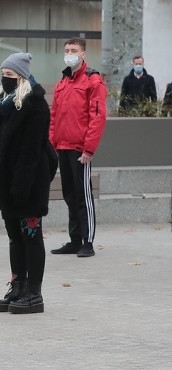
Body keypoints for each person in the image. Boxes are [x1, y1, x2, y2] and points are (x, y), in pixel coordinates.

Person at [0, 53, 52, 315]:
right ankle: (18, 286)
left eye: (10, 75)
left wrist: (21, 185)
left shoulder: (35, 105)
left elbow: (33, 150)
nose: (5, 79)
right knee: (14, 237)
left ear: (21, 76)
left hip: (29, 182)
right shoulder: (1, 102)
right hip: (5, 179)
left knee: (31, 235)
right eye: (3, 74)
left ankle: (34, 293)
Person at [49, 38, 107, 258]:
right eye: (66, 50)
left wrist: (89, 149)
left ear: (83, 53)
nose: (69, 53)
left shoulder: (93, 81)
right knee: (69, 195)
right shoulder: (63, 81)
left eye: (74, 50)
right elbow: (54, 115)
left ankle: (87, 241)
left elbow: (98, 117)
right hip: (63, 147)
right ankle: (74, 240)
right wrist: (52, 141)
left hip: (80, 150)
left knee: (83, 196)